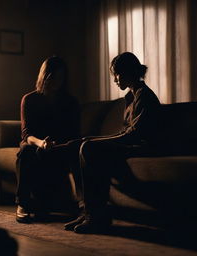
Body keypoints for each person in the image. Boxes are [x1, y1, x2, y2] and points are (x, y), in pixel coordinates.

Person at [64, 52, 161, 233]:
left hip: (142, 147)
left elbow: (134, 134)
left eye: (117, 74)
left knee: (89, 148)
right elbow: (124, 132)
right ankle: (86, 211)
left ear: (129, 71)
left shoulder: (144, 95)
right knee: (76, 146)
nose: (115, 79)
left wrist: (94, 142)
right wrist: (93, 139)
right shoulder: (130, 97)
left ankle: (97, 216)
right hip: (131, 143)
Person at [15, 56, 80, 223]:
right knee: (26, 151)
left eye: (61, 77)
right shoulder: (29, 99)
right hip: (35, 142)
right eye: (53, 77)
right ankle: (22, 203)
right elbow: (26, 134)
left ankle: (48, 203)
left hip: (59, 145)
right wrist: (42, 143)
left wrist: (57, 145)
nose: (57, 81)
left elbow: (74, 133)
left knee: (57, 154)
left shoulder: (70, 102)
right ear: (45, 76)